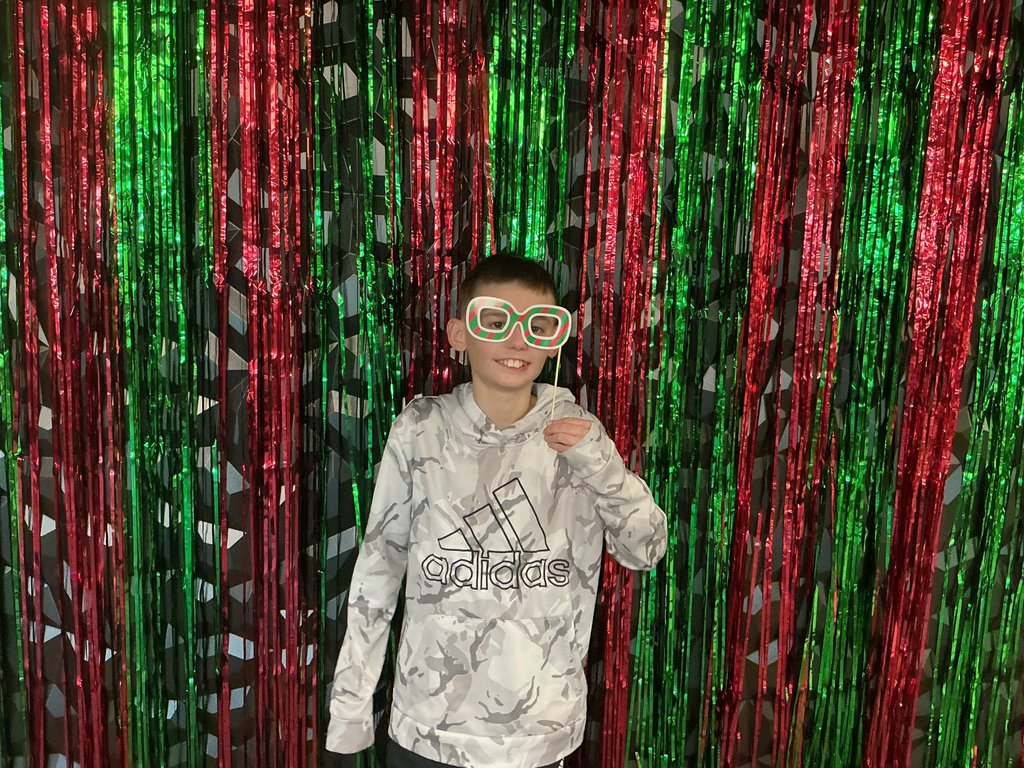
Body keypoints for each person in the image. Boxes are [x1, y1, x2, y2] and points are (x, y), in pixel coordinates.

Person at [326, 253, 667, 768]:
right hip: (427, 731)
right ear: (459, 334)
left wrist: (603, 469)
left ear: (555, 338)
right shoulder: (420, 429)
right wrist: (350, 709)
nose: (519, 340)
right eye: (496, 320)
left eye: (539, 324)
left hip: (540, 735)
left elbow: (646, 550)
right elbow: (379, 570)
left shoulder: (581, 436)